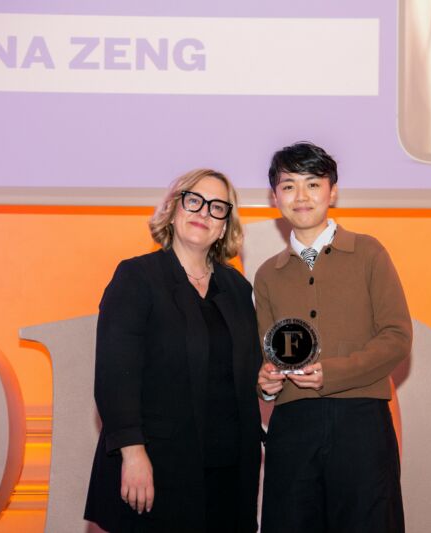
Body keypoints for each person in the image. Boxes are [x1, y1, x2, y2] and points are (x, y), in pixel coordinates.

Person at [85, 169, 263, 533]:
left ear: (224, 226)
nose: (203, 213)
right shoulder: (137, 278)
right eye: (194, 201)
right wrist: (132, 453)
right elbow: (115, 376)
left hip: (229, 475)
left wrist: (269, 380)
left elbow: (246, 371)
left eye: (217, 207)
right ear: (173, 208)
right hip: (158, 467)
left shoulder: (238, 288)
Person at [255, 142, 412, 532]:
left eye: (313, 184)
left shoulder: (369, 253)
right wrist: (266, 384)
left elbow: (396, 336)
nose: (301, 196)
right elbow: (267, 354)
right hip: (292, 427)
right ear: (275, 197)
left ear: (333, 191)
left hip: (361, 423)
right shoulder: (268, 275)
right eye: (288, 186)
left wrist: (334, 373)